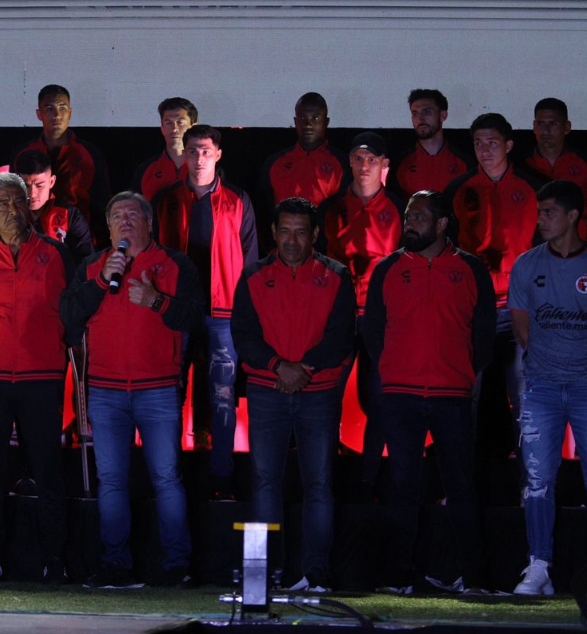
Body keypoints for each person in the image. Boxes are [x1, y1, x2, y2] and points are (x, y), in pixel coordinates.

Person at [61, 192, 203, 589]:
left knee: (167, 478)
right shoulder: (93, 265)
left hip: (158, 389)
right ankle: (114, 565)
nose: (124, 221)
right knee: (112, 480)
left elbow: (194, 315)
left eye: (132, 214)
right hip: (105, 390)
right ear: (107, 228)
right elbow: (69, 314)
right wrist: (102, 280)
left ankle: (177, 565)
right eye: (116, 215)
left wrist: (157, 301)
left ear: (149, 223)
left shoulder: (176, 264)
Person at [362, 191, 496, 595]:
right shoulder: (387, 269)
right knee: (403, 486)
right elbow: (373, 332)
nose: (410, 223)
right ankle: (399, 575)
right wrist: (395, 369)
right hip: (400, 395)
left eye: (419, 217)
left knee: (461, 486)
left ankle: (471, 576)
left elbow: (484, 334)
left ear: (441, 224)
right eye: (408, 217)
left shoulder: (471, 268)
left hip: (451, 394)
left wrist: (459, 372)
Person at [507, 180, 587, 596]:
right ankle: (539, 566)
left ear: (573, 216)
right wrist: (552, 365)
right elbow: (522, 331)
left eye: (549, 212)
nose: (540, 220)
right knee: (538, 479)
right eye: (539, 212)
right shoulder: (526, 265)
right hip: (540, 387)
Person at [0, 173, 74, 583]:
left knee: (48, 470)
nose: (11, 210)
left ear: (30, 205)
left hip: (42, 376)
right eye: (1, 204)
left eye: (18, 201)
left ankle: (53, 559)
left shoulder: (56, 254)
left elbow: (70, 315)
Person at [232, 197, 355, 593]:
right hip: (267, 392)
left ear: (315, 235)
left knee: (319, 482)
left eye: (301, 232)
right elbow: (244, 335)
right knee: (266, 482)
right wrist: (277, 368)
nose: (291, 240)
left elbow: (340, 337)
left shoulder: (337, 274)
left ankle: (315, 575)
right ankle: (266, 576)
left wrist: (302, 370)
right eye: (284, 231)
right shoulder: (252, 275)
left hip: (318, 393)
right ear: (273, 232)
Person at [152, 124, 258, 498]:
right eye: (192, 151)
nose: (198, 158)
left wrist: (246, 316)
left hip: (223, 313)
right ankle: (169, 476)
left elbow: (250, 266)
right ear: (184, 154)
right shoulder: (164, 200)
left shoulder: (238, 200)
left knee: (223, 396)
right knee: (169, 395)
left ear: (218, 155)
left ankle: (222, 477)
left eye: (205, 151)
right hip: (176, 311)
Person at [444, 113, 547, 459]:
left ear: (509, 145)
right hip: (473, 311)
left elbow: (546, 250)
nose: (484, 150)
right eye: (478, 143)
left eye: (491, 143)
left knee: (523, 392)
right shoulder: (458, 190)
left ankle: (529, 482)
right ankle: (461, 485)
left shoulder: (533, 188)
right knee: (464, 394)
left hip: (521, 309)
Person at [323, 131, 404, 500]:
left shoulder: (400, 209)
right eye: (358, 158)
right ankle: (326, 476)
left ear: (384, 165)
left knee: (378, 399)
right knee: (327, 397)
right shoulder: (332, 208)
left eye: (372, 159)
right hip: (339, 315)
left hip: (380, 318)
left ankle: (368, 480)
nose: (364, 165)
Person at [18, 84, 110, 243]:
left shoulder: (89, 155)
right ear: (39, 114)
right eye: (49, 109)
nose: (57, 115)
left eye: (62, 108)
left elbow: (102, 206)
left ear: (70, 112)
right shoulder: (23, 154)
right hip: (31, 242)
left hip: (80, 242)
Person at [524, 98, 587, 238]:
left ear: (567, 127)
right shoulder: (522, 165)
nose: (546, 130)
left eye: (553, 123)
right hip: (535, 251)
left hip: (578, 250)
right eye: (541, 123)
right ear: (534, 126)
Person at [260, 93, 349, 216]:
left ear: (326, 122)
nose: (307, 124)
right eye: (302, 118)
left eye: (315, 118)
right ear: (295, 121)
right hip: (286, 234)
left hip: (326, 234)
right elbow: (266, 211)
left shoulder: (342, 163)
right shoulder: (275, 163)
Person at [12, 148, 94, 267]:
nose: (32, 193)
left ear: (51, 181)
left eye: (39, 185)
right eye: (25, 186)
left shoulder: (70, 216)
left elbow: (87, 262)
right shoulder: (5, 215)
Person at [394, 89, 473, 196]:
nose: (420, 119)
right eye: (415, 113)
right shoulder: (400, 163)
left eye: (427, 112)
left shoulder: (463, 162)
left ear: (443, 115)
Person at [132, 97, 197, 201]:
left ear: (193, 127)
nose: (174, 129)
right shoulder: (145, 170)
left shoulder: (208, 169)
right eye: (168, 123)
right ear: (162, 128)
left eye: (180, 122)